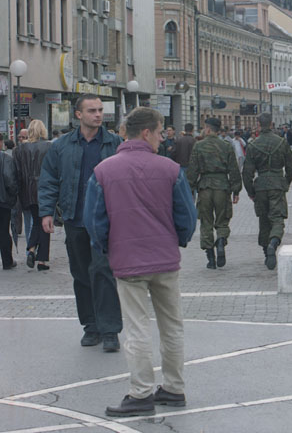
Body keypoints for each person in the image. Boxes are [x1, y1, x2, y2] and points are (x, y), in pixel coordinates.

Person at [83, 107, 197, 417]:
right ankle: (174, 388)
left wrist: (107, 248)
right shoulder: (171, 169)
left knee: (136, 328)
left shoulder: (104, 171)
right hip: (165, 260)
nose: (163, 138)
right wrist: (177, 240)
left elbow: (94, 220)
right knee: (172, 326)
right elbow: (187, 216)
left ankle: (141, 392)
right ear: (146, 133)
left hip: (128, 261)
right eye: (160, 132)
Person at [38, 94, 123, 352]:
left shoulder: (114, 143)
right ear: (78, 115)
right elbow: (49, 179)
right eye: (92, 110)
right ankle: (91, 326)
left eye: (100, 110)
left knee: (104, 273)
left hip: (105, 221)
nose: (98, 115)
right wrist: (47, 212)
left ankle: (110, 330)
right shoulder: (62, 145)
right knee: (81, 275)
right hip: (75, 218)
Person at [242, 113, 292, 270]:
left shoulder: (253, 145)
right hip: (277, 184)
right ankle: (274, 242)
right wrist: (285, 182)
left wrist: (250, 191)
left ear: (259, 125)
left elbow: (247, 172)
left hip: (261, 186)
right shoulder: (281, 142)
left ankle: (267, 252)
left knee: (264, 220)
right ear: (272, 124)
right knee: (277, 218)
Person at [187, 117, 242, 269]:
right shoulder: (226, 146)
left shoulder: (199, 146)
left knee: (206, 222)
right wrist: (236, 190)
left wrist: (190, 190)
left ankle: (210, 257)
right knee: (222, 219)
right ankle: (221, 241)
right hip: (222, 187)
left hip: (205, 187)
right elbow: (234, 169)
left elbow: (192, 170)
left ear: (208, 129)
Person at [14, 120, 52, 270]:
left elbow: (17, 172)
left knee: (37, 221)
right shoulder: (49, 147)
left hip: (27, 190)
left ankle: (31, 250)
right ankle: (41, 259)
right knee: (46, 222)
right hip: (45, 189)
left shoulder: (19, 149)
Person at [0, 133, 18, 270]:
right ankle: (7, 261)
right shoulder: (5, 159)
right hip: (3, 201)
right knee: (3, 231)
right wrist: (12, 197)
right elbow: (10, 181)